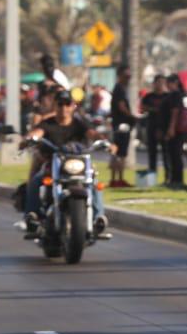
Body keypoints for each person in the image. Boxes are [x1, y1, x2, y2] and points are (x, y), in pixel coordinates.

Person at [23, 90, 107, 234]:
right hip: (54, 164)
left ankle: (98, 217)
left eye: (67, 104)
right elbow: (38, 133)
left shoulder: (79, 123)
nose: (64, 108)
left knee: (94, 181)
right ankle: (32, 216)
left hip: (77, 164)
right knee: (36, 181)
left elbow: (91, 133)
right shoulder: (47, 123)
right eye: (60, 104)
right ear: (55, 106)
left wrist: (104, 140)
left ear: (73, 106)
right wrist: (30, 138)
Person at [164, 74, 187, 189]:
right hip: (175, 130)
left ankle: (177, 180)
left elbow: (175, 112)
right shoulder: (174, 95)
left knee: (176, 155)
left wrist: (171, 128)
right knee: (173, 155)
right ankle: (174, 179)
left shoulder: (176, 95)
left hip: (177, 131)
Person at [109, 65, 137, 188]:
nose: (128, 79)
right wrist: (131, 116)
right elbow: (121, 106)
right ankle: (117, 179)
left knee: (120, 153)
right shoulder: (119, 89)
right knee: (120, 153)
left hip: (120, 124)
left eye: (129, 77)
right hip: (121, 125)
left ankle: (118, 178)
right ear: (120, 76)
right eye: (126, 76)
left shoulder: (120, 88)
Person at [139, 75, 169, 180]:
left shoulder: (167, 96)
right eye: (158, 82)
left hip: (165, 128)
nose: (160, 85)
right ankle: (152, 177)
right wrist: (153, 109)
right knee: (152, 154)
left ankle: (167, 177)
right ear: (154, 83)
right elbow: (142, 108)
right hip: (151, 127)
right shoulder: (149, 96)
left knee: (166, 154)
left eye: (162, 82)